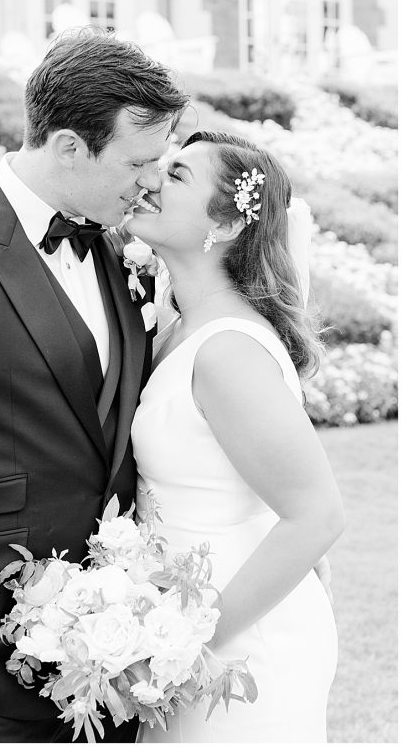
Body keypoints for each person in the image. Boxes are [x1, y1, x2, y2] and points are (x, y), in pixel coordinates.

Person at [0, 30, 188, 742]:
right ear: (66, 147)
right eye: (139, 161)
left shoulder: (119, 252)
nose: (153, 181)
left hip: (113, 668)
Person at [128, 130, 342, 742]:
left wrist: (181, 644)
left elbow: (318, 516)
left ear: (223, 226)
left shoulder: (227, 351)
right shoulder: (178, 326)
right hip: (182, 632)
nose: (150, 179)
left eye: (176, 176)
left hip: (237, 648)